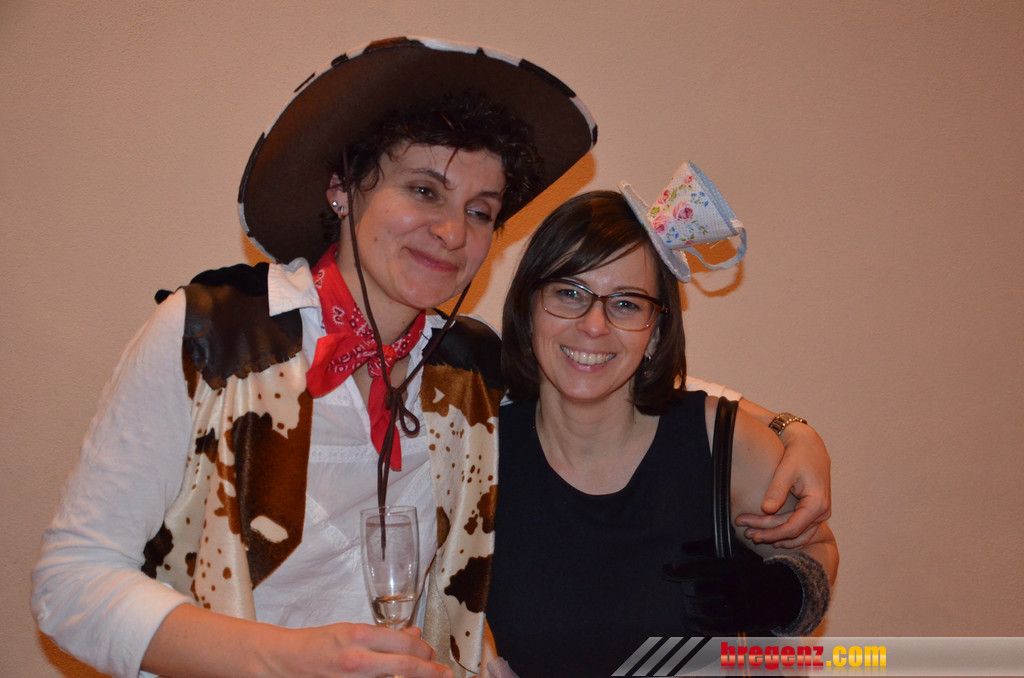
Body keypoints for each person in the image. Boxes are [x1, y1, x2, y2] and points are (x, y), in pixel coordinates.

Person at [31, 37, 828, 678]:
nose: (451, 232)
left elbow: (601, 371)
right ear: (343, 188)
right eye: (423, 191)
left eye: (480, 210)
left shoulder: (470, 368)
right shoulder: (206, 337)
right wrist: (284, 659)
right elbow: (71, 582)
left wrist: (792, 433)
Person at [486, 166, 839, 677]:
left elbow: (817, 547)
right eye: (569, 292)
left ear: (655, 331)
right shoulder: (479, 451)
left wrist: (780, 593)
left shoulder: (721, 443)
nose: (593, 325)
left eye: (625, 303)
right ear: (529, 307)